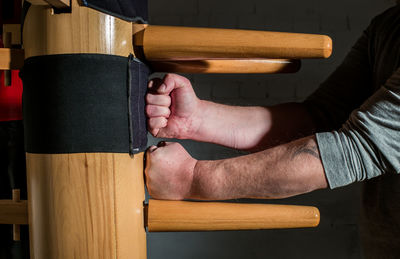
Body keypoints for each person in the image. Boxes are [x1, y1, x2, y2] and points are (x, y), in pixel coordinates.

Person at [145, 4, 400, 258]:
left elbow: (354, 149)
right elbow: (323, 117)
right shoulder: (390, 24)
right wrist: (198, 119)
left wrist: (191, 178)